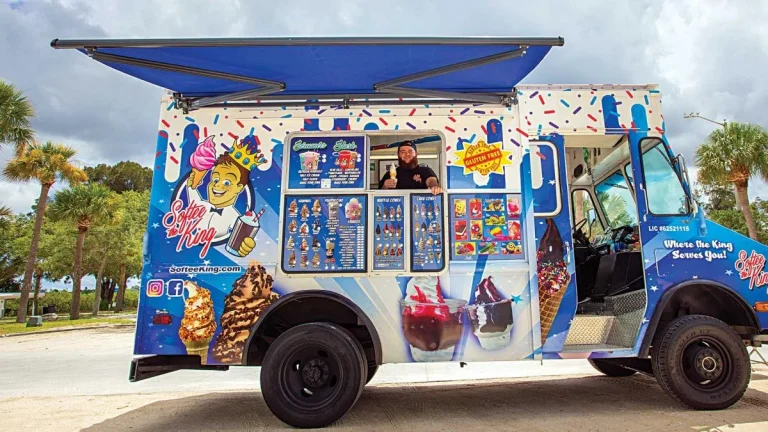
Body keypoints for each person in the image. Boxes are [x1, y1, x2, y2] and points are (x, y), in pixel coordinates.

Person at [378, 141, 442, 195]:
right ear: (398, 155)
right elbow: (379, 196)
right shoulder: (388, 174)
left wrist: (434, 186)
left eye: (410, 151)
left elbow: (431, 181)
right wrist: (385, 186)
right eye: (403, 152)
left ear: (416, 154)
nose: (407, 154)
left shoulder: (425, 171)